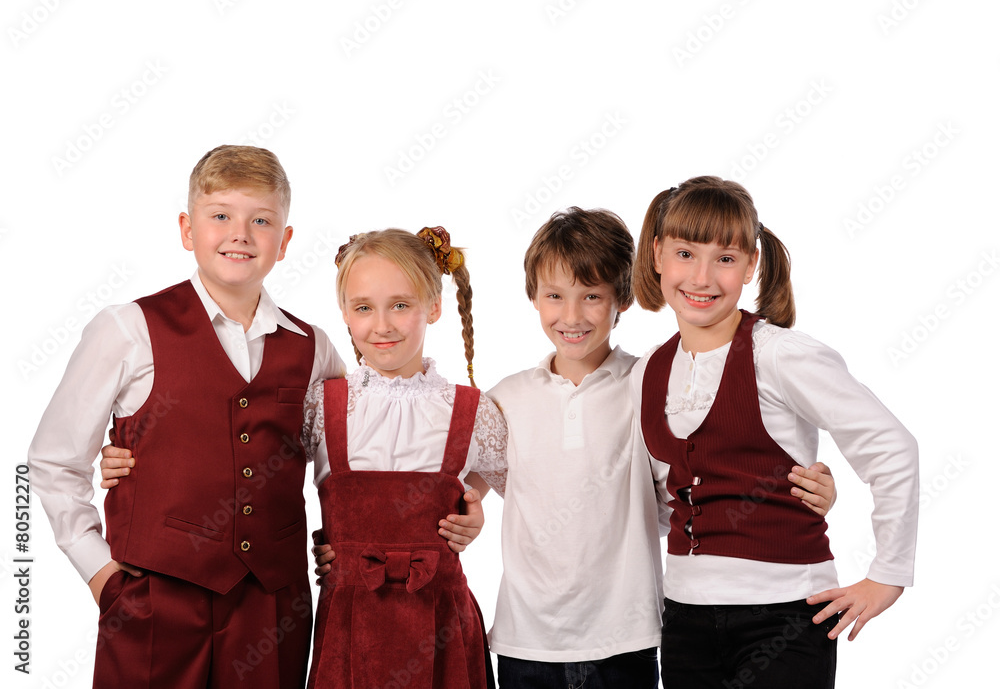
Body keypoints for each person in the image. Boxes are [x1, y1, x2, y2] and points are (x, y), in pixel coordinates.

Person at [436, 208, 834, 687]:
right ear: (533, 297)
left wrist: (799, 490)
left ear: (622, 298)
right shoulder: (507, 398)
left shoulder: (649, 383)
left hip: (626, 641)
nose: (572, 316)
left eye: (592, 296)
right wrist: (467, 511)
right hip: (526, 641)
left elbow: (701, 480)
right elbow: (467, 484)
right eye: (555, 296)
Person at [27, 145, 347, 688]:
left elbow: (340, 464)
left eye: (261, 220)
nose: (240, 234)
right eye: (220, 215)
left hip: (273, 607)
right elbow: (55, 460)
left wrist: (346, 539)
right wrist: (101, 575)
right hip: (155, 603)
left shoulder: (313, 347)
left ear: (285, 241)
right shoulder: (128, 329)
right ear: (186, 229)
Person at [631, 176, 919, 688]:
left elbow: (891, 447)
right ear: (657, 255)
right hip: (684, 615)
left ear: (751, 266)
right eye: (685, 253)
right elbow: (662, 500)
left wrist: (888, 575)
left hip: (785, 613)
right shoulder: (648, 371)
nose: (702, 276)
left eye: (724, 258)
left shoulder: (781, 355)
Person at [304, 227, 506, 688]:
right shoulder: (323, 404)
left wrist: (470, 506)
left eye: (400, 305)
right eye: (363, 308)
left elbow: (521, 492)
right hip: (348, 621)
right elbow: (261, 482)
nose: (382, 325)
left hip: (441, 620)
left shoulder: (472, 410)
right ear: (344, 312)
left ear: (433, 306)